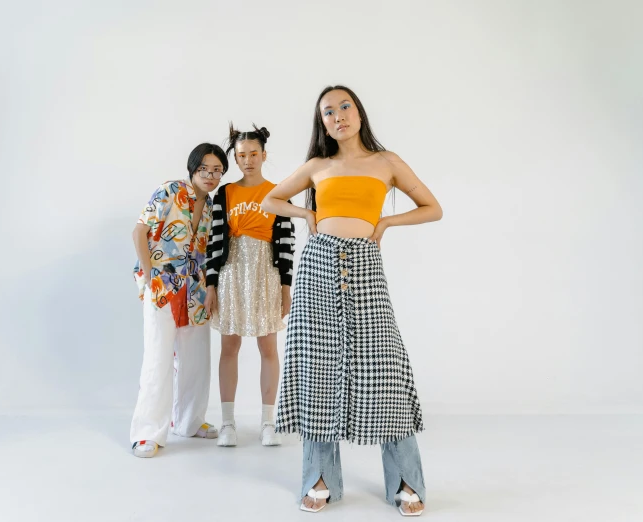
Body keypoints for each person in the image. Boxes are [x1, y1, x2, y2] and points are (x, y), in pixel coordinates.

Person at [262, 86, 443, 516]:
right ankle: (319, 478)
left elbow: (432, 207)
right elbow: (269, 199)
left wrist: (385, 222)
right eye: (328, 111)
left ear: (359, 112)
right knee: (316, 367)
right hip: (318, 266)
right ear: (321, 122)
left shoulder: (387, 162)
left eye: (345, 106)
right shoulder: (317, 165)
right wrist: (307, 214)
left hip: (364, 265)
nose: (338, 115)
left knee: (383, 369)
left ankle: (404, 480)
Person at [129, 143, 227, 458]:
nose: (211, 176)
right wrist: (150, 276)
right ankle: (147, 433)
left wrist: (211, 289)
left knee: (197, 358)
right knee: (158, 357)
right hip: (163, 286)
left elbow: (208, 252)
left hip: (196, 291)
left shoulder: (211, 206)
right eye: (205, 169)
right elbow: (139, 231)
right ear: (193, 168)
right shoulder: (170, 191)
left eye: (217, 171)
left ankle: (188, 422)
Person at [205, 124, 296, 447]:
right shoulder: (225, 193)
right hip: (231, 273)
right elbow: (214, 241)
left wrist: (287, 286)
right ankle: (227, 422)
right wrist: (211, 284)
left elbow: (286, 242)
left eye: (253, 154)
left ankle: (267, 423)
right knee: (229, 346)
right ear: (236, 157)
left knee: (268, 347)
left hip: (266, 274)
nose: (248, 160)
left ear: (264, 155)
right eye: (241, 155)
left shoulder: (279, 191)